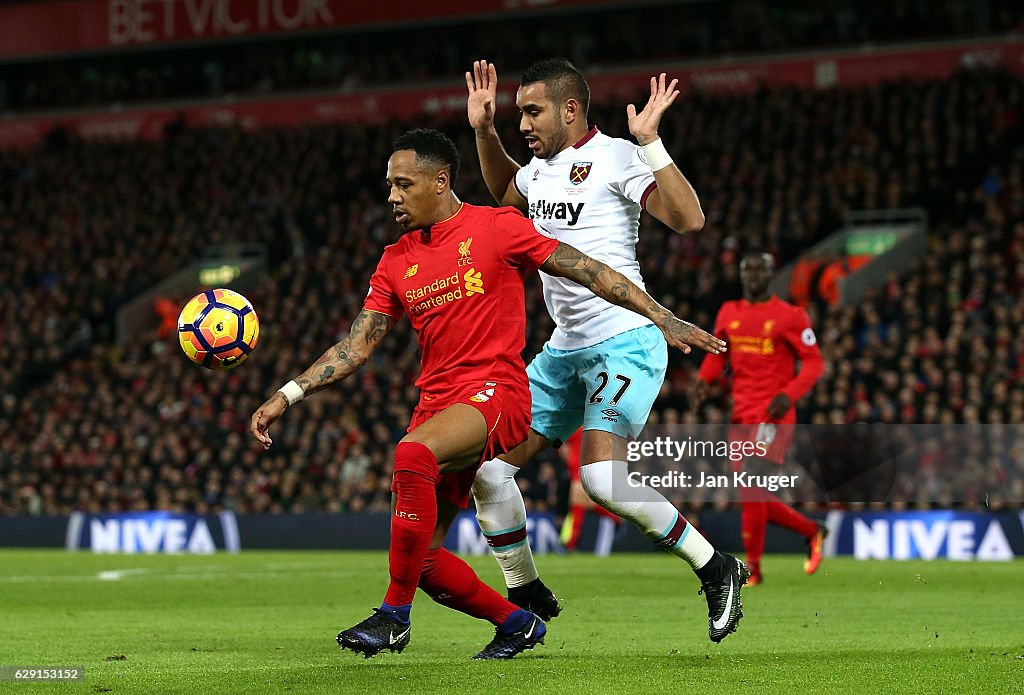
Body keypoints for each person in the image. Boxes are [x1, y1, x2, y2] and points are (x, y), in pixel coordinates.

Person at [249, 128, 726, 659]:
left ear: (441, 181)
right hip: (437, 404)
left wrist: (660, 317)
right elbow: (356, 347)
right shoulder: (394, 260)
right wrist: (287, 395)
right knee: (423, 559)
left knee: (411, 455)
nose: (393, 197)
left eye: (404, 184)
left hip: (496, 393)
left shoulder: (497, 227)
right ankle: (516, 620)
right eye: (389, 186)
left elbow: (588, 270)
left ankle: (393, 617)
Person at [467, 57, 750, 643]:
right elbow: (502, 188)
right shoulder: (540, 171)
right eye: (519, 113)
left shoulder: (618, 155)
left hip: (625, 339)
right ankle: (524, 596)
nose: (524, 123)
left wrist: (651, 142)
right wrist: (484, 130)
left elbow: (688, 218)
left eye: (531, 111)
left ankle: (716, 565)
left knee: (601, 479)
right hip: (563, 351)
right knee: (488, 471)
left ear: (570, 110)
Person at [693, 249, 827, 586]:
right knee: (750, 493)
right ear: (741, 275)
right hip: (741, 417)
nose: (753, 275)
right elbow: (718, 353)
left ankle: (751, 571)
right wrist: (704, 380)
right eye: (747, 269)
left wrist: (788, 395)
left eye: (760, 269)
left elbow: (814, 363)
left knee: (751, 484)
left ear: (771, 274)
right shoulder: (729, 312)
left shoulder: (790, 315)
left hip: (773, 415)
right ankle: (812, 531)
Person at [557, 428, 621, 556]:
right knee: (581, 504)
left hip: (581, 468)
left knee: (577, 504)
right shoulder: (594, 425)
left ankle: (569, 543)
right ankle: (614, 516)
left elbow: (560, 444)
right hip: (581, 467)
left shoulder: (577, 425)